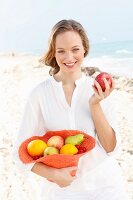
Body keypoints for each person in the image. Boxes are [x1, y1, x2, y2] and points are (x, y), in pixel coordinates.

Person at [14, 19, 129, 200]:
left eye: (75, 49)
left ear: (85, 49)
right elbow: (19, 153)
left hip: (105, 187)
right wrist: (54, 175)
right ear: (54, 52)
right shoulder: (39, 95)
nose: (69, 57)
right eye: (61, 51)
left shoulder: (99, 89)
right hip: (60, 192)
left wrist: (95, 105)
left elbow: (110, 148)